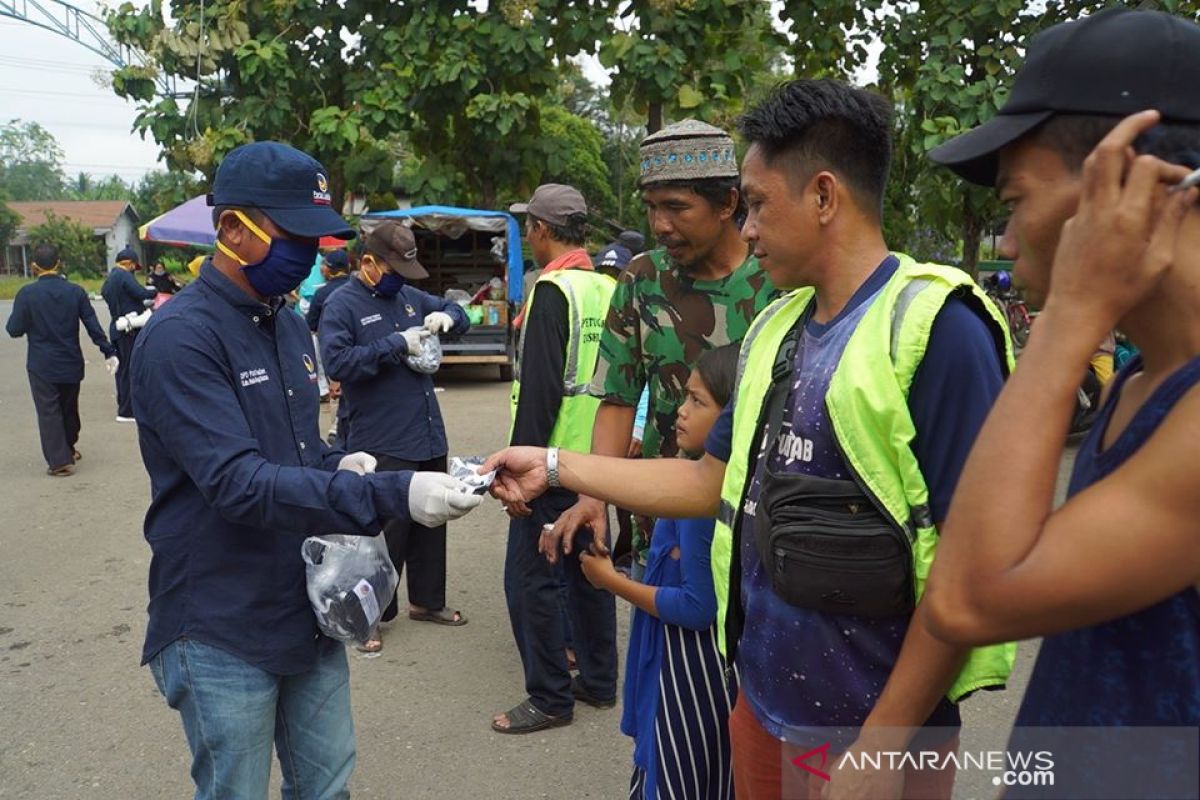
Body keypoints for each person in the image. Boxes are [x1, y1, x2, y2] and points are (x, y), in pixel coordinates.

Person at [484, 80, 1017, 800]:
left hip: (870, 722)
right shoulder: (777, 328)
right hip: (763, 697)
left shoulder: (936, 330)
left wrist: (884, 745)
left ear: (824, 197)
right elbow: (708, 482)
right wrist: (554, 467)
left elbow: (969, 562)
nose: (751, 227)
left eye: (759, 204)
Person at [129, 141, 482, 800]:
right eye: (294, 235)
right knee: (236, 790)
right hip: (218, 618)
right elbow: (237, 482)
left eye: (316, 238)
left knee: (327, 784)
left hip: (305, 600)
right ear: (233, 228)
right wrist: (393, 489)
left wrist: (336, 458)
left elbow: (293, 449)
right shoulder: (181, 337)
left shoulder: (287, 324)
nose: (311, 253)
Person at [923, 9, 1200, 798]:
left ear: (1130, 186)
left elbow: (969, 598)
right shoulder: (1144, 382)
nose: (1007, 242)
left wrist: (1069, 319)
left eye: (1015, 200)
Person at [548, 119, 778, 571]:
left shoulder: (777, 279)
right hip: (662, 531)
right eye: (652, 207)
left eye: (676, 207)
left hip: (758, 528)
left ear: (727, 202)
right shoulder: (642, 278)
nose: (660, 225)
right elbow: (617, 400)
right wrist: (593, 495)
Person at [580, 344, 738, 800]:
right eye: (684, 398)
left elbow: (696, 606)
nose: (680, 413)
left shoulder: (701, 500)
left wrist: (611, 581)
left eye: (698, 402)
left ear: (731, 417)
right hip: (687, 664)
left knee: (679, 774)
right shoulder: (698, 473)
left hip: (691, 673)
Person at [493, 184, 619, 734]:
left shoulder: (552, 291)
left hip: (550, 464)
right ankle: (597, 680)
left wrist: (518, 472)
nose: (528, 234)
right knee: (587, 570)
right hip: (598, 462)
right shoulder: (608, 288)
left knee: (529, 579)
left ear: (541, 231)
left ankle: (549, 697)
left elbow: (541, 391)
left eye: (529, 227)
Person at [320, 220, 472, 653]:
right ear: (369, 263)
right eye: (394, 272)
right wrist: (394, 345)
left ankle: (426, 601)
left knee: (432, 519)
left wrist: (450, 315)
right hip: (380, 436)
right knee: (385, 531)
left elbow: (457, 311)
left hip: (425, 431)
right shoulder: (342, 304)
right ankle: (367, 616)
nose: (401, 282)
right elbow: (337, 363)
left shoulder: (408, 297)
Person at [6, 243, 118, 476]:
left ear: (34, 266)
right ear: (59, 263)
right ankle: (68, 446)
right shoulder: (75, 292)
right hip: (70, 361)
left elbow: (14, 329)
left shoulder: (26, 294)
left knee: (49, 411)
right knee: (68, 407)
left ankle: (59, 461)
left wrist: (32, 321)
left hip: (41, 363)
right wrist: (107, 350)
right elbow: (92, 324)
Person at [101, 246, 155, 422]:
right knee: (129, 369)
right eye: (134, 266)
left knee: (122, 369)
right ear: (130, 264)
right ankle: (126, 411)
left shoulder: (109, 280)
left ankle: (123, 405)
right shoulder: (124, 276)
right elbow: (141, 293)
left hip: (116, 327)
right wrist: (153, 291)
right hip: (129, 328)